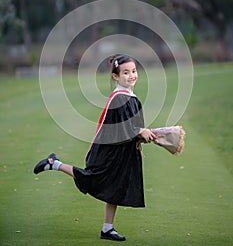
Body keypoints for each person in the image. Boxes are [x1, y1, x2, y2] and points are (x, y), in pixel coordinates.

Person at [33, 54, 157, 242]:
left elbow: (129, 128)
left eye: (133, 71)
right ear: (116, 76)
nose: (131, 75)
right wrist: (140, 131)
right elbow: (122, 127)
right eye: (125, 72)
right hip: (109, 153)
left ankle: (107, 228)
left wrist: (142, 137)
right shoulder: (119, 99)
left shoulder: (129, 97)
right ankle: (54, 163)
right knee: (94, 179)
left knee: (116, 186)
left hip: (122, 153)